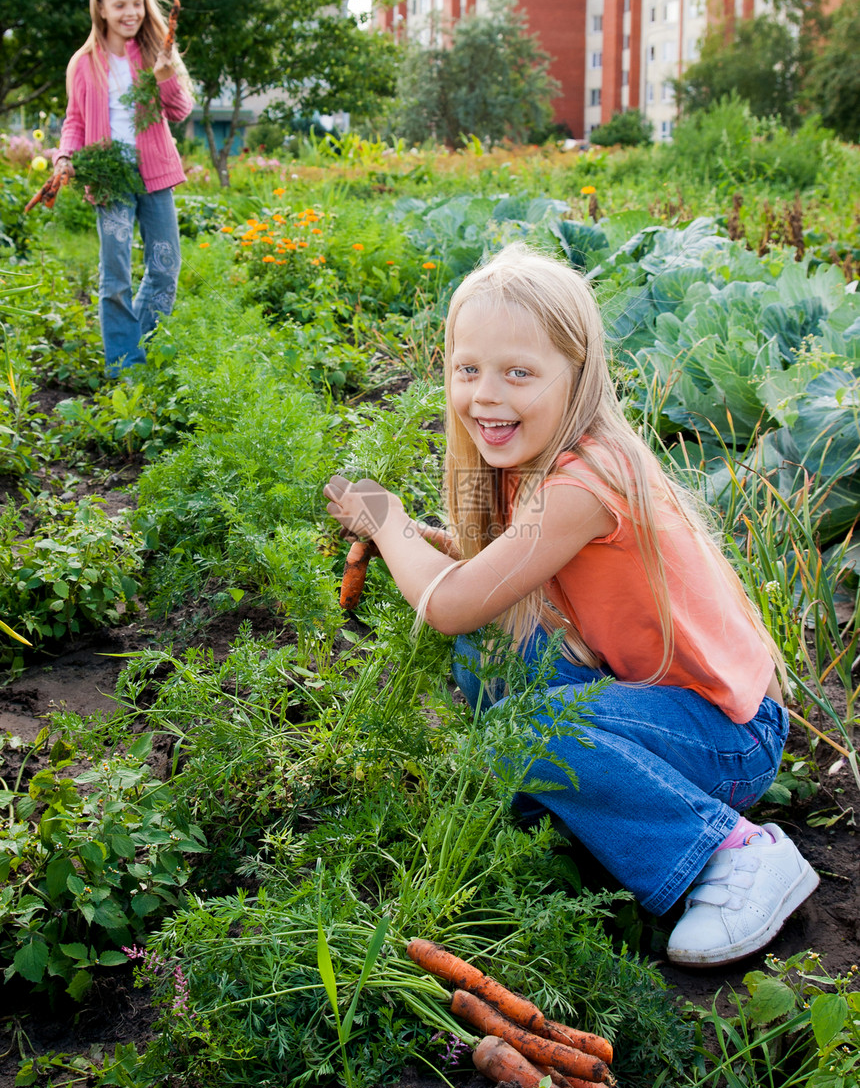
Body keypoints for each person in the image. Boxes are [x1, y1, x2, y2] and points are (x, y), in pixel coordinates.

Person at [324, 243, 819, 968]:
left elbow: (452, 604)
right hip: (656, 711)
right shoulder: (511, 463)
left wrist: (387, 519)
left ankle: (735, 851)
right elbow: (480, 585)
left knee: (515, 730)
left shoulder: (588, 479)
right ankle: (594, 802)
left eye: (519, 373)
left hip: (727, 739)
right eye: (468, 370)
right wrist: (422, 539)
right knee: (489, 656)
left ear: (577, 376)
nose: (486, 395)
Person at [51, 0, 194, 376]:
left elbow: (180, 110)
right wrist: (64, 158)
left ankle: (144, 351)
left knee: (165, 267)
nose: (130, 13)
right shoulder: (84, 63)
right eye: (119, 6)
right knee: (115, 274)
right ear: (101, 9)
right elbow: (74, 121)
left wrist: (166, 76)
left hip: (155, 173)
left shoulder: (156, 51)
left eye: (136, 4)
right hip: (109, 175)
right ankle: (124, 367)